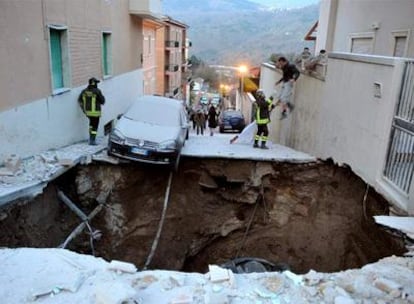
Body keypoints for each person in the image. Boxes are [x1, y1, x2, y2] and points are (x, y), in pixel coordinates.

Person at [78, 77, 105, 145]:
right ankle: (92, 140)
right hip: (96, 113)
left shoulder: (84, 91)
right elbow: (102, 101)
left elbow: (79, 100)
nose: (97, 84)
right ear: (93, 83)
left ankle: (91, 138)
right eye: (96, 83)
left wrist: (84, 109)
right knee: (95, 126)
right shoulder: (97, 91)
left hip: (88, 113)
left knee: (91, 125)